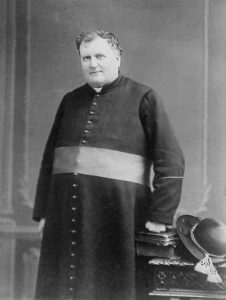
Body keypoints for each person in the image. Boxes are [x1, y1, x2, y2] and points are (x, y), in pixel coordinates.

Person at [33, 29, 185, 300]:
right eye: (86, 58)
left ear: (117, 57)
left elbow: (171, 161)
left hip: (120, 219)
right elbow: (50, 160)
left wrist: (160, 217)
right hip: (63, 216)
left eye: (100, 56)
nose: (93, 64)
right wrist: (43, 211)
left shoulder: (144, 98)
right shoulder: (70, 100)